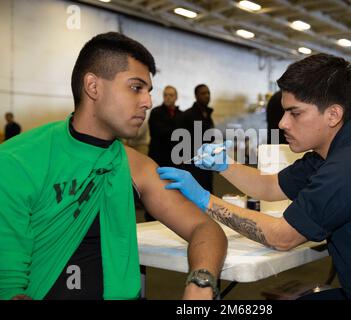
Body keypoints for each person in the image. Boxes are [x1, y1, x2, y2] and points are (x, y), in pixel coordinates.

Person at [158, 53, 351, 299]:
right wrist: (225, 165)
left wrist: (205, 200)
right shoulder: (330, 152)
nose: (283, 123)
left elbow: (281, 237)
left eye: (295, 113)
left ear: (333, 115)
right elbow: (270, 186)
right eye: (284, 112)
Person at [0, 32, 227, 300]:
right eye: (135, 87)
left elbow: (206, 229)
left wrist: (200, 282)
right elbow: (9, 285)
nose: (147, 101)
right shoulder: (17, 161)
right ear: (93, 87)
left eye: (148, 91)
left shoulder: (136, 166)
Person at [180, 84, 215, 192]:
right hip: (193, 163)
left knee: (208, 191)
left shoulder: (207, 114)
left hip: (206, 161)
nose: (207, 96)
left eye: (208, 93)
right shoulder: (187, 115)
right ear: (196, 95)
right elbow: (181, 140)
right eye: (203, 93)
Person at [148, 85, 183, 167]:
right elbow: (157, 132)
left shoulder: (181, 115)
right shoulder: (156, 112)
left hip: (175, 158)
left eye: (171, 95)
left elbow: (183, 137)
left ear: (176, 97)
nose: (167, 97)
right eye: (165, 95)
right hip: (159, 157)